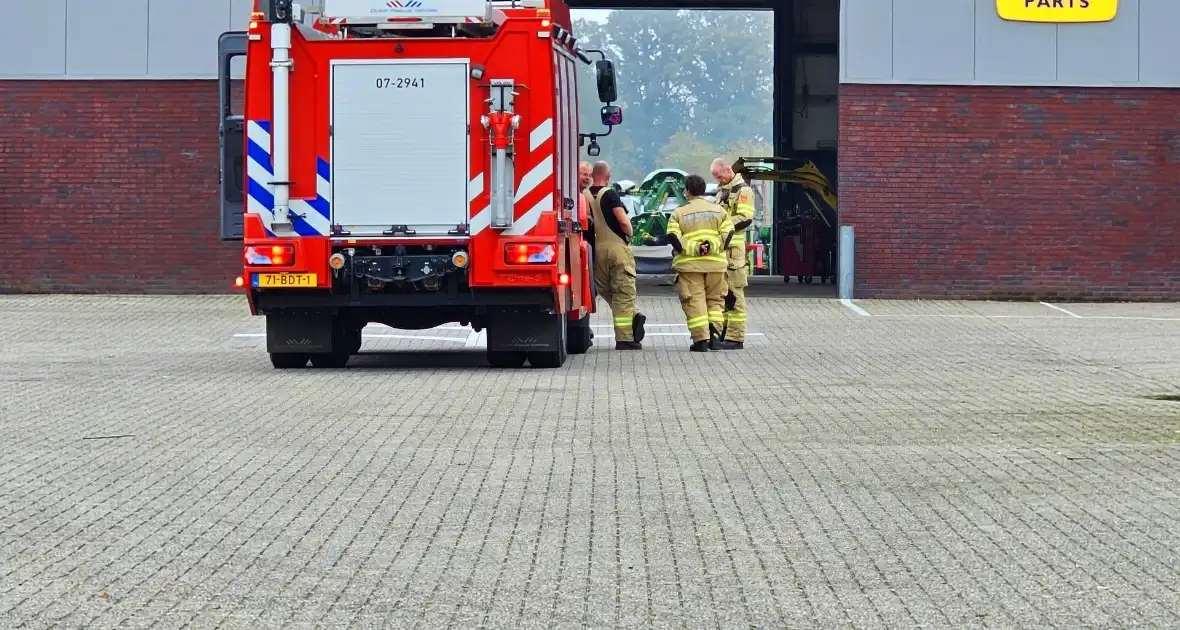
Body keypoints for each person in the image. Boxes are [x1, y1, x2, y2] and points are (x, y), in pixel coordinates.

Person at [660, 174, 733, 352]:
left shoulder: (679, 213)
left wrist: (695, 248)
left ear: (687, 191)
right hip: (716, 265)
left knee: (695, 301)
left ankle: (701, 340)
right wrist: (710, 247)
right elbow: (728, 234)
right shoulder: (719, 211)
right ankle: (715, 338)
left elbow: (673, 237)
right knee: (716, 301)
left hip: (690, 266)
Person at [585, 161, 646, 349]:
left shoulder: (584, 195)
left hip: (596, 250)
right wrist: (630, 233)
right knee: (623, 293)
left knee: (605, 289)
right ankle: (625, 338)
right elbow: (622, 220)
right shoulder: (610, 194)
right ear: (607, 176)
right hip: (617, 249)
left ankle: (633, 316)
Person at [710, 157, 755, 350]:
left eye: (720, 176)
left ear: (728, 171)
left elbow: (745, 218)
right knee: (725, 295)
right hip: (723, 252)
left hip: (734, 253)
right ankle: (725, 333)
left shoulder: (742, 191)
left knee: (735, 295)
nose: (718, 180)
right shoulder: (723, 190)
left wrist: (723, 226)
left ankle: (736, 337)